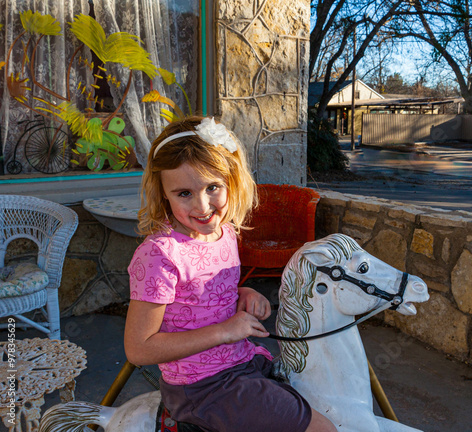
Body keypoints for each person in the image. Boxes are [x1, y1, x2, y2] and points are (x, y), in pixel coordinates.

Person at [124, 116, 337, 432]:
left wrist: (241, 293)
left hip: (242, 360)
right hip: (203, 386)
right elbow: (139, 348)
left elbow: (198, 299)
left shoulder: (225, 232)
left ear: (232, 181)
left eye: (213, 187)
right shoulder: (159, 254)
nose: (202, 206)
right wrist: (225, 331)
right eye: (184, 193)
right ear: (163, 192)